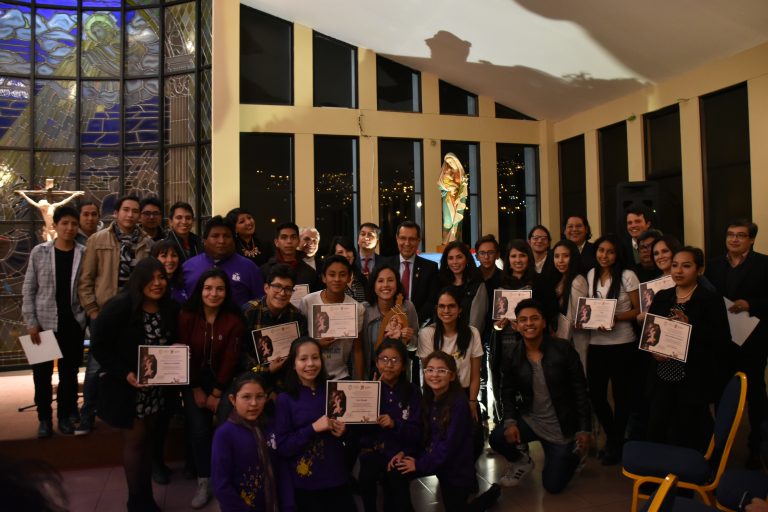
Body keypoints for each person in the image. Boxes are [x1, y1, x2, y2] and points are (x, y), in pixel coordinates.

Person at [90, 258, 179, 512]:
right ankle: (135, 500)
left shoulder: (169, 307)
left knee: (149, 440)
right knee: (136, 442)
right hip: (129, 389)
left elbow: (171, 340)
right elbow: (99, 346)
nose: (157, 283)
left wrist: (175, 347)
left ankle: (146, 498)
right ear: (138, 280)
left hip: (157, 389)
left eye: (161, 277)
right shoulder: (120, 307)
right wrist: (125, 373)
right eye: (151, 278)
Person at [490, 299, 591, 492]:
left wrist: (583, 429)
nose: (529, 323)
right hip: (531, 420)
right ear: (516, 325)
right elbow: (507, 391)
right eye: (523, 320)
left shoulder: (563, 349)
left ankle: (575, 455)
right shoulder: (512, 354)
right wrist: (510, 422)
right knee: (497, 437)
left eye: (534, 318)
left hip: (561, 426)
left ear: (544, 322)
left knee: (553, 486)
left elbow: (580, 390)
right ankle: (522, 461)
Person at [388, 351, 500, 512]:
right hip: (433, 456)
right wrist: (406, 452)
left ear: (452, 376)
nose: (434, 375)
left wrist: (418, 464)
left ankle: (491, 495)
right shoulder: (427, 397)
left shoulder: (459, 404)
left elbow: (448, 447)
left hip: (455, 466)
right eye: (430, 370)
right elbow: (421, 433)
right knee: (397, 472)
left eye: (441, 370)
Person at [77, 194, 152, 435]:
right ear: (116, 213)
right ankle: (87, 413)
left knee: (130, 363)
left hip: (134, 314)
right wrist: (93, 310)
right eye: (126, 210)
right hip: (105, 313)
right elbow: (86, 279)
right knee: (96, 365)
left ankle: (125, 412)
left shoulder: (147, 243)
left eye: (135, 211)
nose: (130, 214)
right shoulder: (98, 239)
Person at [646, 247, 730, 451]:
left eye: (686, 266)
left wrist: (690, 326)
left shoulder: (710, 299)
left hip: (693, 375)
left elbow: (722, 339)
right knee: (658, 424)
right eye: (675, 265)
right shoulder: (663, 296)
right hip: (662, 373)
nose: (678, 271)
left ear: (699, 269)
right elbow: (650, 332)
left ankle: (699, 465)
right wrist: (653, 351)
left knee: (691, 428)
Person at [179, 268, 245, 508]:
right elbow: (182, 353)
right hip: (192, 381)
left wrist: (217, 393)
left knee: (227, 427)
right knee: (199, 430)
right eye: (208, 288)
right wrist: (195, 388)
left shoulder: (234, 320)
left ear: (226, 292)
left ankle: (227, 477)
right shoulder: (186, 316)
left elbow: (231, 359)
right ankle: (204, 481)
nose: (213, 294)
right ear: (200, 290)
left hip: (224, 383)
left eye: (219, 289)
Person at [705, 219, 768, 468]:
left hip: (753, 341)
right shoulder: (714, 265)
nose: (734, 239)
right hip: (722, 342)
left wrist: (751, 304)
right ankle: (719, 447)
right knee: (720, 393)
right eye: (730, 234)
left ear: (751, 240)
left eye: (740, 235)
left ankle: (756, 447)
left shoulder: (764, 264)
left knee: (756, 396)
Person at [22, 206, 86, 437]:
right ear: (55, 225)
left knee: (69, 375)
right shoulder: (39, 252)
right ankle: (44, 419)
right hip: (42, 325)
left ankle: (65, 417)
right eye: (65, 223)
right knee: (41, 376)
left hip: (72, 324)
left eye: (74, 224)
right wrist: (31, 322)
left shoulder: (83, 253)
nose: (69, 228)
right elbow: (29, 289)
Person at [274, 337, 354, 511]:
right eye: (303, 359)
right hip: (306, 483)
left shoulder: (333, 391)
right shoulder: (285, 399)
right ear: (293, 364)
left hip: (337, 476)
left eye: (315, 357)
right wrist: (312, 428)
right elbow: (283, 447)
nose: (310, 364)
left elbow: (351, 436)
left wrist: (344, 431)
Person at [583, 234, 640, 465]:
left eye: (610, 251)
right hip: (596, 343)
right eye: (601, 250)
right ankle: (614, 437)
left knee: (621, 396)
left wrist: (615, 317)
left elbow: (639, 310)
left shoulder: (627, 276)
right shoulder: (591, 274)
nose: (604, 255)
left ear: (618, 255)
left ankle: (615, 443)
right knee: (596, 396)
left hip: (623, 344)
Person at [211, 372, 293, 512]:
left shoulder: (271, 427)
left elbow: (282, 469)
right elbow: (221, 486)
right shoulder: (224, 435)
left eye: (259, 396)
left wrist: (289, 505)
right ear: (232, 399)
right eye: (246, 397)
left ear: (266, 398)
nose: (254, 403)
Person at [358, 340, 422, 512]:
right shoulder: (366, 389)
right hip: (373, 450)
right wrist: (369, 399)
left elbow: (417, 431)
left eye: (395, 360)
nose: (389, 365)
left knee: (398, 490)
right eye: (384, 359)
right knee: (366, 478)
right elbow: (358, 431)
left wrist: (394, 424)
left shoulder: (413, 392)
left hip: (401, 449)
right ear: (377, 362)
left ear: (404, 366)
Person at [417, 288, 483, 422]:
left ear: (460, 309)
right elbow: (428, 374)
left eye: (451, 306)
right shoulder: (426, 334)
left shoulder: (472, 333)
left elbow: (475, 375)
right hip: (437, 395)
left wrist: (472, 402)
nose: (446, 310)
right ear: (436, 309)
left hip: (464, 395)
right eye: (442, 306)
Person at [241, 264, 308, 389]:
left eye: (288, 289)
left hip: (287, 381)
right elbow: (241, 354)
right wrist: (267, 370)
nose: (282, 293)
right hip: (253, 380)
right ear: (266, 288)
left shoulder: (297, 317)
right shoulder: (249, 312)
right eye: (277, 286)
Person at [299, 255, 365, 380]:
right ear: (324, 277)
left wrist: (359, 382)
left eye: (342, 274)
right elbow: (299, 340)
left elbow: (358, 350)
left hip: (340, 375)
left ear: (349, 277)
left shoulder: (357, 308)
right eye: (332, 274)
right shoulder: (308, 301)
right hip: (309, 374)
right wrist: (317, 344)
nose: (337, 279)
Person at [182, 216, 265, 308]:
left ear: (233, 240)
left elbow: (260, 302)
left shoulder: (249, 268)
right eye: (215, 236)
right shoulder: (188, 267)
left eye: (226, 236)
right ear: (204, 241)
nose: (221, 241)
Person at [361, 264, 418, 379]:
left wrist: (409, 339)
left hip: (400, 375)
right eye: (380, 281)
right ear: (374, 285)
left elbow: (415, 345)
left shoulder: (408, 307)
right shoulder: (364, 310)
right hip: (371, 374)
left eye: (390, 280)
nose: (385, 285)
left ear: (397, 284)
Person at [382, 221, 439, 324]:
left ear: (418, 241)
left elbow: (431, 301)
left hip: (418, 325)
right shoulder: (384, 265)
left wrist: (413, 322)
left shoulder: (430, 268)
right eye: (403, 238)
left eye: (412, 239)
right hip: (388, 324)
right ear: (397, 239)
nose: (407, 243)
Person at [552, 239, 590, 371]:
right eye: (556, 256)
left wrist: (559, 339)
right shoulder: (561, 277)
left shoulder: (577, 280)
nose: (560, 261)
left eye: (566, 256)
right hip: (565, 337)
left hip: (575, 338)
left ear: (573, 257)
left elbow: (574, 317)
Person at [437, 240, 488, 333]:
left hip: (469, 337)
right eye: (450, 258)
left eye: (459, 257)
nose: (455, 262)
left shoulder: (477, 285)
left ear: (467, 259)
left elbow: (477, 322)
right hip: (443, 337)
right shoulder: (440, 284)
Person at [261, 222, 318, 291]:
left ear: (298, 241)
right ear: (276, 242)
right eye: (284, 237)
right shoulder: (265, 270)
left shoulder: (309, 272)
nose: (289, 241)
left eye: (293, 237)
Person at [438, 152, 468, 244]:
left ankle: (456, 241)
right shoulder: (447, 172)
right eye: (448, 162)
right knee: (447, 220)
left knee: (457, 220)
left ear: (455, 161)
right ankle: (446, 242)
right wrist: (448, 188)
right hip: (448, 199)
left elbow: (464, 188)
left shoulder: (462, 174)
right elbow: (440, 185)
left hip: (459, 199)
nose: (450, 164)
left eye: (451, 161)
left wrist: (459, 198)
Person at [327, 235, 368, 304]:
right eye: (340, 252)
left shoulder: (362, 278)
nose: (345, 255)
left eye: (348, 251)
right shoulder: (329, 280)